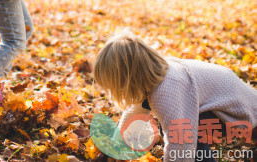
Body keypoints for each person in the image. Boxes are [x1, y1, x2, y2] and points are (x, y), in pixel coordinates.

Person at [93, 29, 257, 162]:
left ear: (128, 79)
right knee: (178, 127)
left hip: (239, 113)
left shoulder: (168, 89)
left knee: (180, 132)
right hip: (225, 107)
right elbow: (134, 112)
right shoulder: (153, 78)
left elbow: (181, 143)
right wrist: (114, 147)